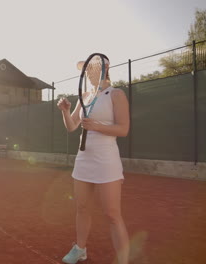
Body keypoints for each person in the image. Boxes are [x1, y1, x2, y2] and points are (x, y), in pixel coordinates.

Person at [57, 55, 130, 264]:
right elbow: (72, 126)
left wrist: (96, 126)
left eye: (90, 69)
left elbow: (123, 129)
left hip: (107, 161)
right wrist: (66, 111)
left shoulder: (116, 94)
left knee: (112, 214)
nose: (87, 74)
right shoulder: (86, 96)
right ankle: (80, 249)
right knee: (81, 208)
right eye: (85, 71)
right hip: (84, 160)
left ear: (104, 69)